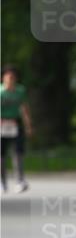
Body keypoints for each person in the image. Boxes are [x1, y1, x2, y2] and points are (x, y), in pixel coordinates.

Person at [1, 64, 33, 193]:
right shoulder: (0, 93)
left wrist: (28, 126)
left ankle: (19, 180)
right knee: (1, 155)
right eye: (8, 77)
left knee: (18, 153)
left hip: (15, 123)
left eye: (13, 78)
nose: (10, 80)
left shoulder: (20, 91)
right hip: (1, 124)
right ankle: (2, 182)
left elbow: (24, 109)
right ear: (3, 78)